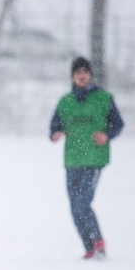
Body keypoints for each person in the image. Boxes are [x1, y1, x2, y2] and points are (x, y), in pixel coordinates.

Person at [49, 56, 124, 259]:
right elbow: (54, 125)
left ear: (90, 75)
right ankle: (89, 247)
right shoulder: (66, 102)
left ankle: (98, 240)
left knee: (82, 203)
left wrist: (106, 135)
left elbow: (118, 124)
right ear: (73, 77)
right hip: (72, 159)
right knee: (74, 208)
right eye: (77, 72)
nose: (81, 76)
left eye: (84, 72)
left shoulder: (103, 99)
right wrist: (55, 133)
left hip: (93, 159)